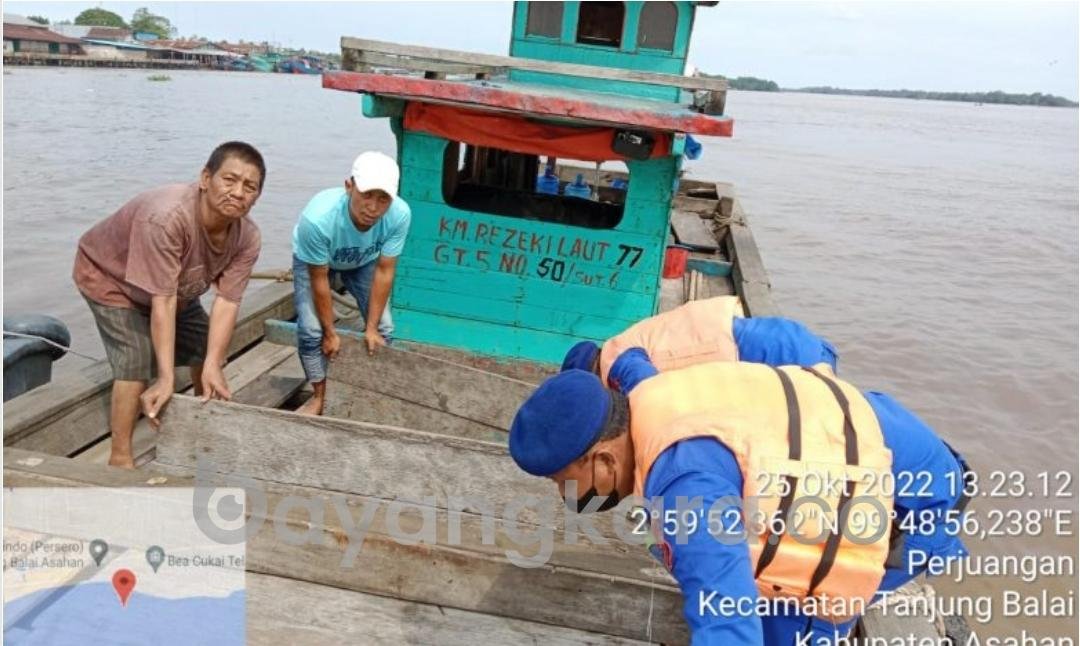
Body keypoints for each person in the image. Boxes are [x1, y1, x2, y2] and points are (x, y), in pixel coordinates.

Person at [509, 351, 970, 644]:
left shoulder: (685, 486)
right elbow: (630, 357)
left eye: (562, 481)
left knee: (792, 615)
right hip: (880, 429)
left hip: (913, 503)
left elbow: (727, 622)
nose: (563, 494)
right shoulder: (645, 391)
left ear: (606, 461)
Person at [73, 141, 265, 468]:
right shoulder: (167, 218)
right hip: (111, 278)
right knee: (136, 356)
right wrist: (165, 377)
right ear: (205, 178)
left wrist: (214, 363)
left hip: (176, 287)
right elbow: (162, 303)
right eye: (229, 180)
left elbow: (227, 302)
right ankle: (119, 457)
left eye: (250, 187)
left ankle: (197, 427)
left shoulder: (248, 237)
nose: (237, 192)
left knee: (207, 349)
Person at [291, 151, 411, 416]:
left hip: (364, 258)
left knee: (384, 328)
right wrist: (331, 333)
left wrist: (370, 327)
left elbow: (385, 270)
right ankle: (320, 396)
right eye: (367, 195)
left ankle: (367, 390)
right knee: (312, 330)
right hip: (315, 261)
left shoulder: (400, 215)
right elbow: (320, 278)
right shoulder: (318, 220)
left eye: (383, 199)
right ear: (349, 187)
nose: (373, 207)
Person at [560, 296, 839, 390]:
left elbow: (652, 394)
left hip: (769, 355)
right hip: (780, 336)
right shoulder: (624, 339)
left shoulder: (614, 361)